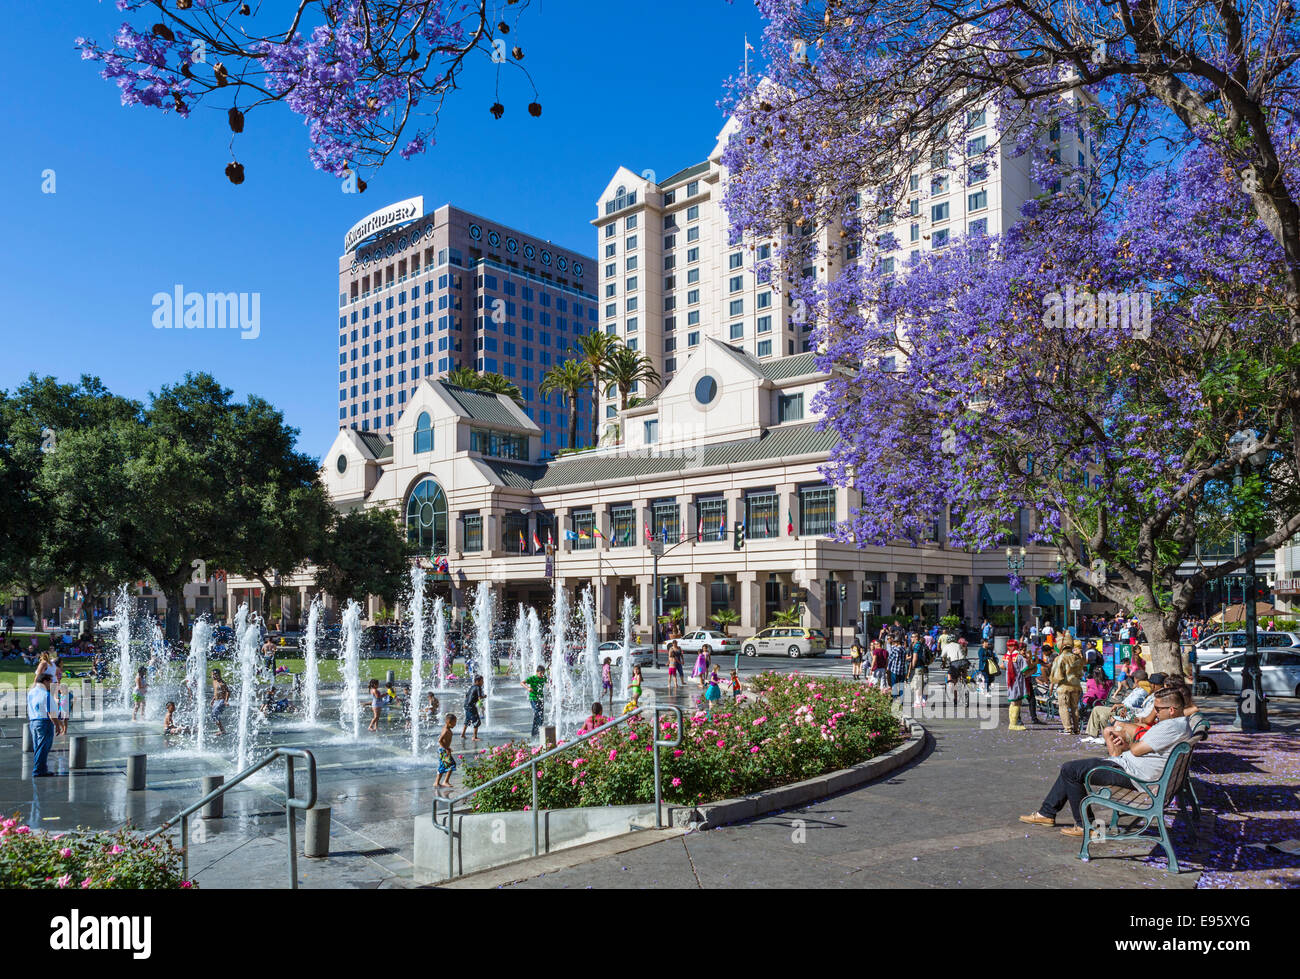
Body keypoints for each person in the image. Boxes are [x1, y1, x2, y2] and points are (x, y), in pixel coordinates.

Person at [1020, 686, 1194, 836]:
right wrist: (1129, 747)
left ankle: (1084, 825)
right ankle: (1047, 813)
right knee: (1072, 769)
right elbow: (1139, 747)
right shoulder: (1178, 724)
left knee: (1070, 770)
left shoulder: (1170, 727)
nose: (1154, 712)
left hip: (1136, 776)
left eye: (1158, 709)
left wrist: (1128, 746)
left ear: (1171, 709)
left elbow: (1137, 749)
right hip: (1136, 771)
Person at [1084, 669, 1152, 739]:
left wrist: (1118, 705)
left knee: (1097, 710)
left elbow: (1131, 704)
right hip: (1122, 708)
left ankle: (1095, 735)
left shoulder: (1142, 691)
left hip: (1125, 710)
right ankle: (1097, 736)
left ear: (1136, 680)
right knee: (1099, 712)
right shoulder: (1138, 689)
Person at [1050, 638, 1085, 734]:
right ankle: (1076, 728)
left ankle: (1068, 728)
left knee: (1063, 707)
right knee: (1075, 707)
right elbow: (1081, 673)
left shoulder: (1060, 658)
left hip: (1064, 686)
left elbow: (1056, 675)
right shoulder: (1076, 657)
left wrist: (1053, 682)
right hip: (1076, 685)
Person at [27, 672, 58, 777]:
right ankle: (39, 770)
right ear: (45, 681)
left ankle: (41, 768)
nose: (52, 684)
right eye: (51, 681)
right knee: (44, 747)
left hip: (33, 721)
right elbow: (51, 713)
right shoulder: (46, 694)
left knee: (38, 747)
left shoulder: (31, 692)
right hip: (44, 722)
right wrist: (57, 725)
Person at [521, 665, 546, 737]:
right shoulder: (532, 678)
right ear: (537, 672)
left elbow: (547, 683)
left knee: (541, 715)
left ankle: (539, 731)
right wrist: (528, 688)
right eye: (540, 673)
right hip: (533, 699)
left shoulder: (544, 678)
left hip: (541, 698)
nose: (542, 675)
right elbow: (522, 683)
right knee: (537, 712)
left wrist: (549, 686)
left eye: (543, 673)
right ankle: (534, 732)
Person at [434, 713, 457, 788]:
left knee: (443, 766)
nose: (455, 725)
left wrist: (447, 748)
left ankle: (437, 783)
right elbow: (440, 740)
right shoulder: (446, 730)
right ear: (449, 723)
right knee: (451, 765)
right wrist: (446, 748)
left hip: (444, 750)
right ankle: (445, 781)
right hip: (443, 750)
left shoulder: (447, 728)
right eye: (454, 723)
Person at [908, 632, 929, 708]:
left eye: (912, 637)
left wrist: (912, 666)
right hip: (922, 666)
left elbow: (915, 657)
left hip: (917, 667)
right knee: (920, 685)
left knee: (917, 685)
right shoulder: (921, 644)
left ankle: (917, 702)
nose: (911, 638)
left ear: (916, 637)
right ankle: (920, 701)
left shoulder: (916, 646)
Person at [461, 674, 485, 741]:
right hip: (471, 706)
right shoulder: (478, 687)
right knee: (476, 721)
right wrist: (482, 705)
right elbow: (479, 698)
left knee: (468, 719)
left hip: (466, 705)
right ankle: (474, 737)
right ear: (477, 681)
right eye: (482, 681)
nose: (483, 682)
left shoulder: (472, 687)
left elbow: (467, 696)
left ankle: (463, 734)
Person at [211, 668, 230, 737]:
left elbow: (228, 692)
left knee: (214, 715)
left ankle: (222, 730)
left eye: (215, 674)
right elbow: (216, 692)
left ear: (219, 675)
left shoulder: (222, 683)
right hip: (216, 701)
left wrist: (226, 701)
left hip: (221, 701)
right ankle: (221, 729)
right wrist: (213, 699)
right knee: (213, 716)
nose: (213, 676)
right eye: (212, 674)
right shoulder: (214, 681)